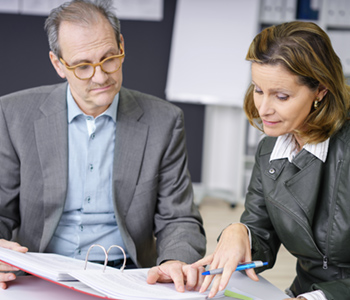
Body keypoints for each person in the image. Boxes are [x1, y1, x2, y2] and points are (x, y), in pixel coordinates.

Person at [0, 0, 206, 291]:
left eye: (109, 58)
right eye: (83, 66)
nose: (100, 77)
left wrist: (175, 259)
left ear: (121, 46)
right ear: (58, 64)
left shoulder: (164, 121)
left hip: (129, 276)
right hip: (39, 275)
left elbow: (179, 217)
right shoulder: (13, 115)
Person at [192, 21, 350, 300]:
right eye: (257, 89)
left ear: (321, 91)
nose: (263, 109)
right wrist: (238, 232)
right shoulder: (270, 151)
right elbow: (261, 237)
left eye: (281, 96)